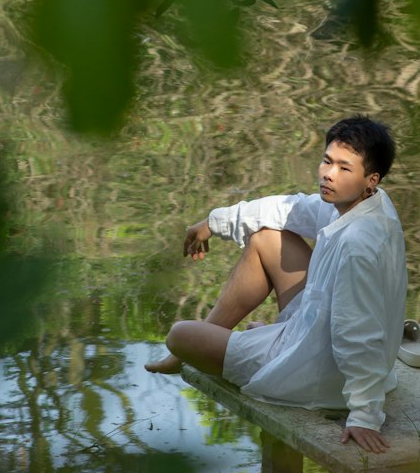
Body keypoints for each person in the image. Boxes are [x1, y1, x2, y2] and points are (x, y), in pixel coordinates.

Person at [146, 116, 406, 453]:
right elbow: (292, 208)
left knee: (180, 335)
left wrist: (364, 414)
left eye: (344, 168)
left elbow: (359, 333)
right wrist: (213, 222)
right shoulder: (368, 202)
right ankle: (240, 338)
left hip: (317, 374)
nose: (329, 174)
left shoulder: (358, 245)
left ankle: (215, 349)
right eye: (327, 161)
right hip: (312, 332)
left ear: (370, 179)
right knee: (268, 238)